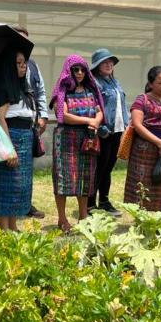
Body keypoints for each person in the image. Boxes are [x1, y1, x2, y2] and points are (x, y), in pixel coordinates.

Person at [50, 54, 104, 232]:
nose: (79, 73)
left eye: (82, 69)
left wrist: (96, 120)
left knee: (85, 178)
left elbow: (99, 110)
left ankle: (83, 216)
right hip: (66, 140)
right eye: (75, 69)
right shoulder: (62, 91)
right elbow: (63, 115)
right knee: (63, 179)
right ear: (69, 71)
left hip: (87, 140)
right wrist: (88, 121)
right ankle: (62, 219)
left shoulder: (90, 90)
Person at [124, 66, 161, 211]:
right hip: (144, 150)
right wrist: (158, 142)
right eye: (160, 82)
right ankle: (142, 220)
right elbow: (138, 125)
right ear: (151, 84)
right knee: (143, 184)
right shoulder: (142, 100)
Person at [0, 51, 35, 231]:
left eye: (24, 63)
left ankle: (13, 225)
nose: (23, 66)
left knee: (18, 186)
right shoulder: (3, 87)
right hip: (10, 136)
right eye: (18, 63)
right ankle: (4, 228)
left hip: (25, 136)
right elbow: (0, 119)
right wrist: (8, 149)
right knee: (5, 184)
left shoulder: (22, 86)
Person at [11, 25, 48, 219]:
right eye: (19, 39)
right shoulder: (4, 64)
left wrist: (42, 116)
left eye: (26, 40)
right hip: (9, 123)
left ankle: (26, 204)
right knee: (8, 168)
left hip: (30, 122)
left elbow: (40, 91)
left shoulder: (33, 64)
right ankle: (6, 207)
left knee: (26, 168)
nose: (24, 43)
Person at [89, 48, 128, 217]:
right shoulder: (95, 84)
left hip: (117, 131)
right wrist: (100, 128)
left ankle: (104, 201)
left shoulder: (115, 82)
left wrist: (126, 124)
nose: (109, 64)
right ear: (97, 65)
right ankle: (90, 204)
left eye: (111, 61)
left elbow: (121, 105)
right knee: (99, 168)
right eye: (105, 62)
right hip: (103, 132)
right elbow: (92, 108)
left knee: (108, 168)